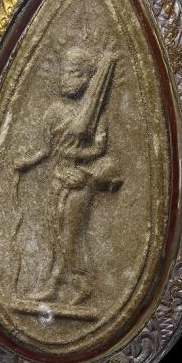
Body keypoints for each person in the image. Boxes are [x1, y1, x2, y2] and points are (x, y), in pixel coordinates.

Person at [14, 46, 122, 306]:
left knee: (71, 234)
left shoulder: (97, 114)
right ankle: (58, 285)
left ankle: (77, 284)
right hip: (58, 177)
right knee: (54, 233)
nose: (65, 79)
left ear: (86, 78)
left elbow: (99, 148)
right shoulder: (53, 112)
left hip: (80, 179)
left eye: (73, 73)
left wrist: (77, 156)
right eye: (63, 72)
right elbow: (46, 150)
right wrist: (26, 162)